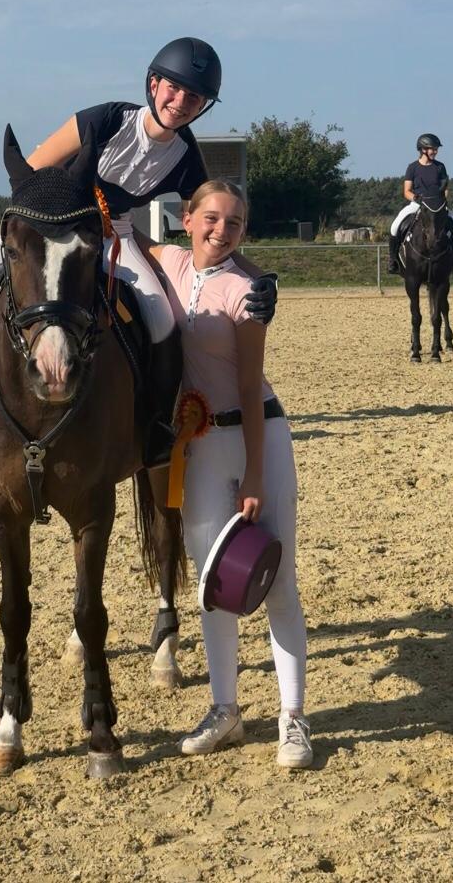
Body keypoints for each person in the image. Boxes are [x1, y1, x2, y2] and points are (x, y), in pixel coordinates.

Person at [0, 38, 278, 463]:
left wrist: (259, 276)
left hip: (115, 234)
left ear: (203, 105)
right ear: (153, 84)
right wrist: (51, 222)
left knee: (162, 321)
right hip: (51, 226)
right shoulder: (106, 119)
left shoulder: (186, 155)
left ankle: (155, 425)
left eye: (194, 96)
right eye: (173, 88)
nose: (180, 102)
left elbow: (212, 227)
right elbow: (35, 169)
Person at [139, 180, 312, 769]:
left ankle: (293, 718)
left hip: (257, 434)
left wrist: (255, 475)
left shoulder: (246, 293)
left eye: (235, 222)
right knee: (213, 586)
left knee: (279, 583)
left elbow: (248, 385)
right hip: (202, 441)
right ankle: (225, 710)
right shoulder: (168, 262)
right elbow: (122, 237)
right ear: (186, 218)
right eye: (211, 218)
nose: (221, 230)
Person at [388, 133, 453, 277]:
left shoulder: (440, 167)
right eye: (433, 149)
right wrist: (416, 198)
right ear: (423, 149)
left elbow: (445, 189)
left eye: (436, 149)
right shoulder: (412, 167)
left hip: (437, 205)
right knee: (395, 226)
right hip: (417, 204)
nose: (435, 151)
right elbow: (406, 191)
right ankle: (393, 261)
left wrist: (442, 200)